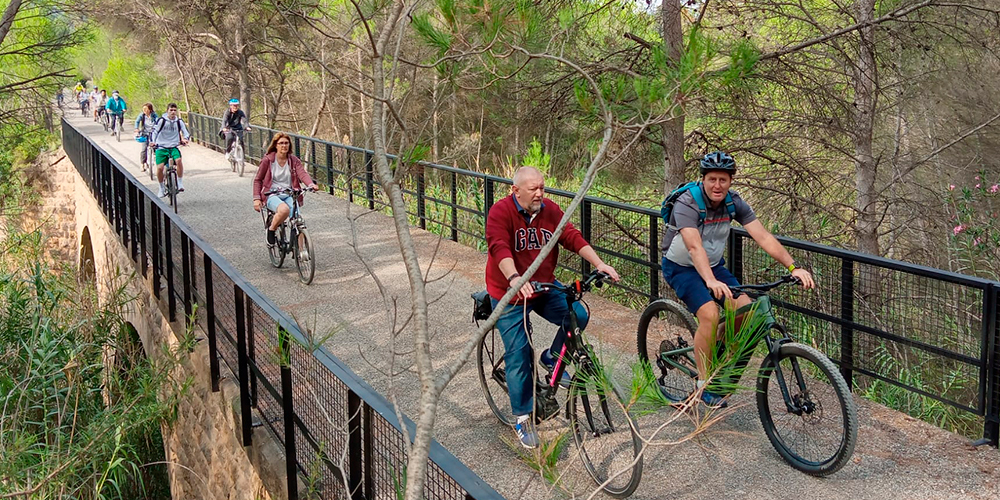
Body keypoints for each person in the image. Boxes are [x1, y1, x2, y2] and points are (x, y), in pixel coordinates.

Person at [660, 151, 815, 407]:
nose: (717, 185)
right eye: (712, 179)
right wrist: (709, 281)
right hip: (681, 266)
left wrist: (793, 267)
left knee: (745, 311)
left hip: (714, 267)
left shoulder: (734, 203)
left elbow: (763, 236)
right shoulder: (687, 203)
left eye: (723, 179)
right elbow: (694, 247)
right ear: (703, 180)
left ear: (730, 181)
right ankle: (703, 384)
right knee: (709, 313)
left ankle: (714, 344)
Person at [484, 166, 620, 449]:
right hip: (509, 294)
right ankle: (522, 416)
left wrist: (599, 264)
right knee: (519, 352)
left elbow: (571, 236)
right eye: (533, 188)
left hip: (543, 287)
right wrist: (514, 278)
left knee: (578, 314)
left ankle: (553, 356)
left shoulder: (551, 211)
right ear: (515, 190)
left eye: (542, 187)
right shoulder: (500, 212)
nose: (539, 193)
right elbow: (499, 247)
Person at [252, 133, 317, 246]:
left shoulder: (293, 161)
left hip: (289, 194)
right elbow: (258, 180)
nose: (284, 146)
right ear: (275, 145)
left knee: (298, 220)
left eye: (286, 143)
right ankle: (271, 230)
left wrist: (311, 184)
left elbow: (302, 174)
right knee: (284, 210)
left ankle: (302, 253)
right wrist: (256, 199)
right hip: (271, 195)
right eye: (281, 143)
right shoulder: (268, 161)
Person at [150, 103, 191, 197]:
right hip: (161, 147)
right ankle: (161, 188)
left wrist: (185, 139)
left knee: (179, 160)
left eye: (174, 110)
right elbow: (155, 131)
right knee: (160, 168)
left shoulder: (179, 122)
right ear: (167, 111)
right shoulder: (162, 121)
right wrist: (153, 142)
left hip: (173, 146)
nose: (173, 112)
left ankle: (180, 182)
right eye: (171, 110)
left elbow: (185, 131)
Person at [134, 103, 159, 171]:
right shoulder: (142, 115)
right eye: (143, 109)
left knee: (156, 148)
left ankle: (158, 163)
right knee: (144, 149)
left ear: (150, 110)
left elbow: (158, 121)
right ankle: (142, 163)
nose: (144, 110)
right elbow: (137, 121)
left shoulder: (154, 115)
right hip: (145, 133)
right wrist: (136, 128)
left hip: (153, 133)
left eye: (146, 109)